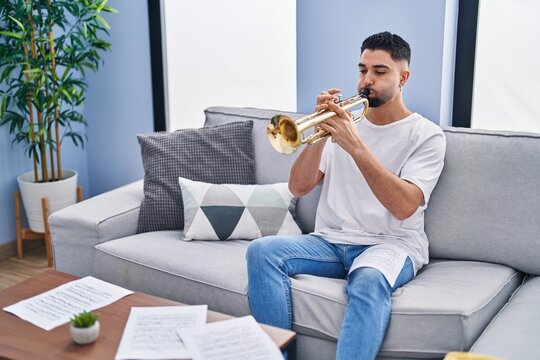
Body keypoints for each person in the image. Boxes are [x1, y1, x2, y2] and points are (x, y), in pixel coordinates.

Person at [246, 31, 446, 360]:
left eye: (380, 72)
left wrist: (356, 146)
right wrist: (321, 135)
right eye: (362, 70)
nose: (367, 80)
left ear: (403, 77)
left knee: (367, 282)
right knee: (261, 251)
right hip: (331, 241)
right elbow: (298, 188)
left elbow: (404, 207)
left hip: (390, 244)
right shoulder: (342, 123)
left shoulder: (425, 135)